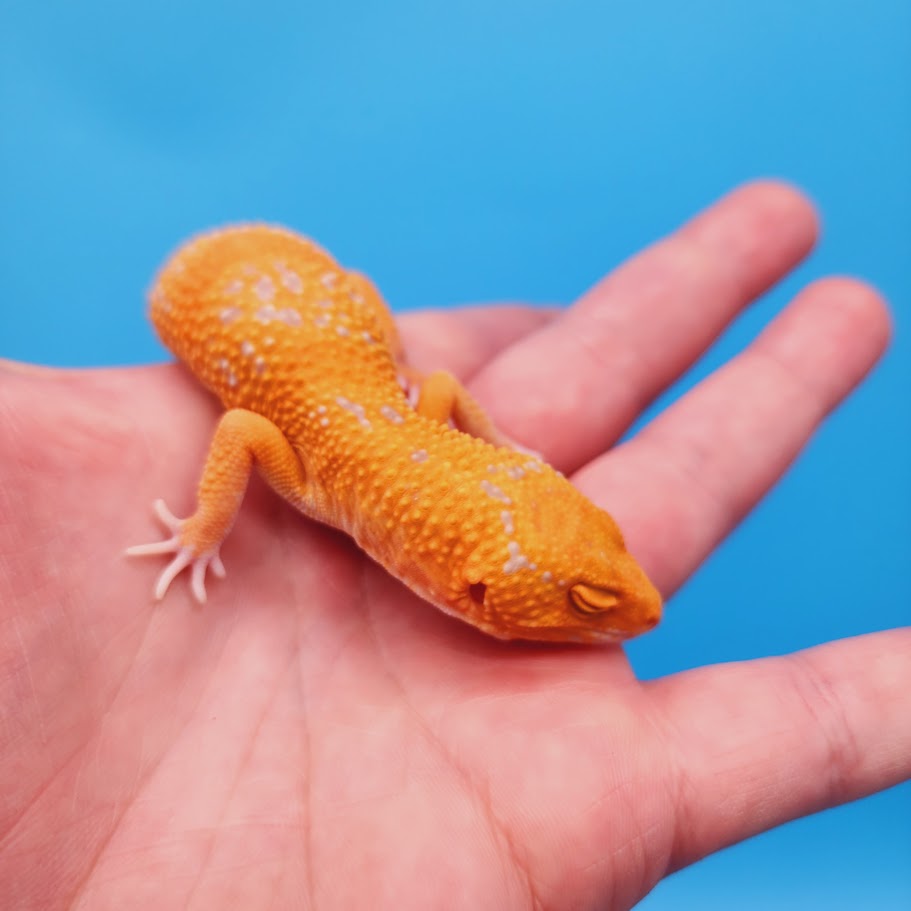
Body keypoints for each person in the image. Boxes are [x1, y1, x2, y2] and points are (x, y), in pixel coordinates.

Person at [1, 182, 907, 910]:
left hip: (312, 299)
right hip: (216, 281)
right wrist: (204, 531)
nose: (639, 605)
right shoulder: (323, 477)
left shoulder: (392, 448)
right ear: (468, 590)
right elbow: (244, 425)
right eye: (583, 601)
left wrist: (494, 442)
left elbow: (435, 386)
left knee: (368, 322)